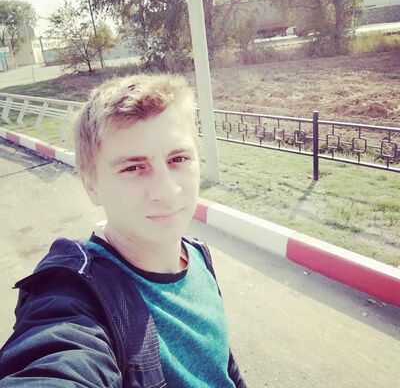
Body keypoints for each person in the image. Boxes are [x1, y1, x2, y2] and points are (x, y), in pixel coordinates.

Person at [0, 74, 246, 387]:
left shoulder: (198, 256)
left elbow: (222, 366)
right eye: (133, 167)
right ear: (92, 185)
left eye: (179, 158)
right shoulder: (77, 296)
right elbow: (57, 360)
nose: (167, 191)